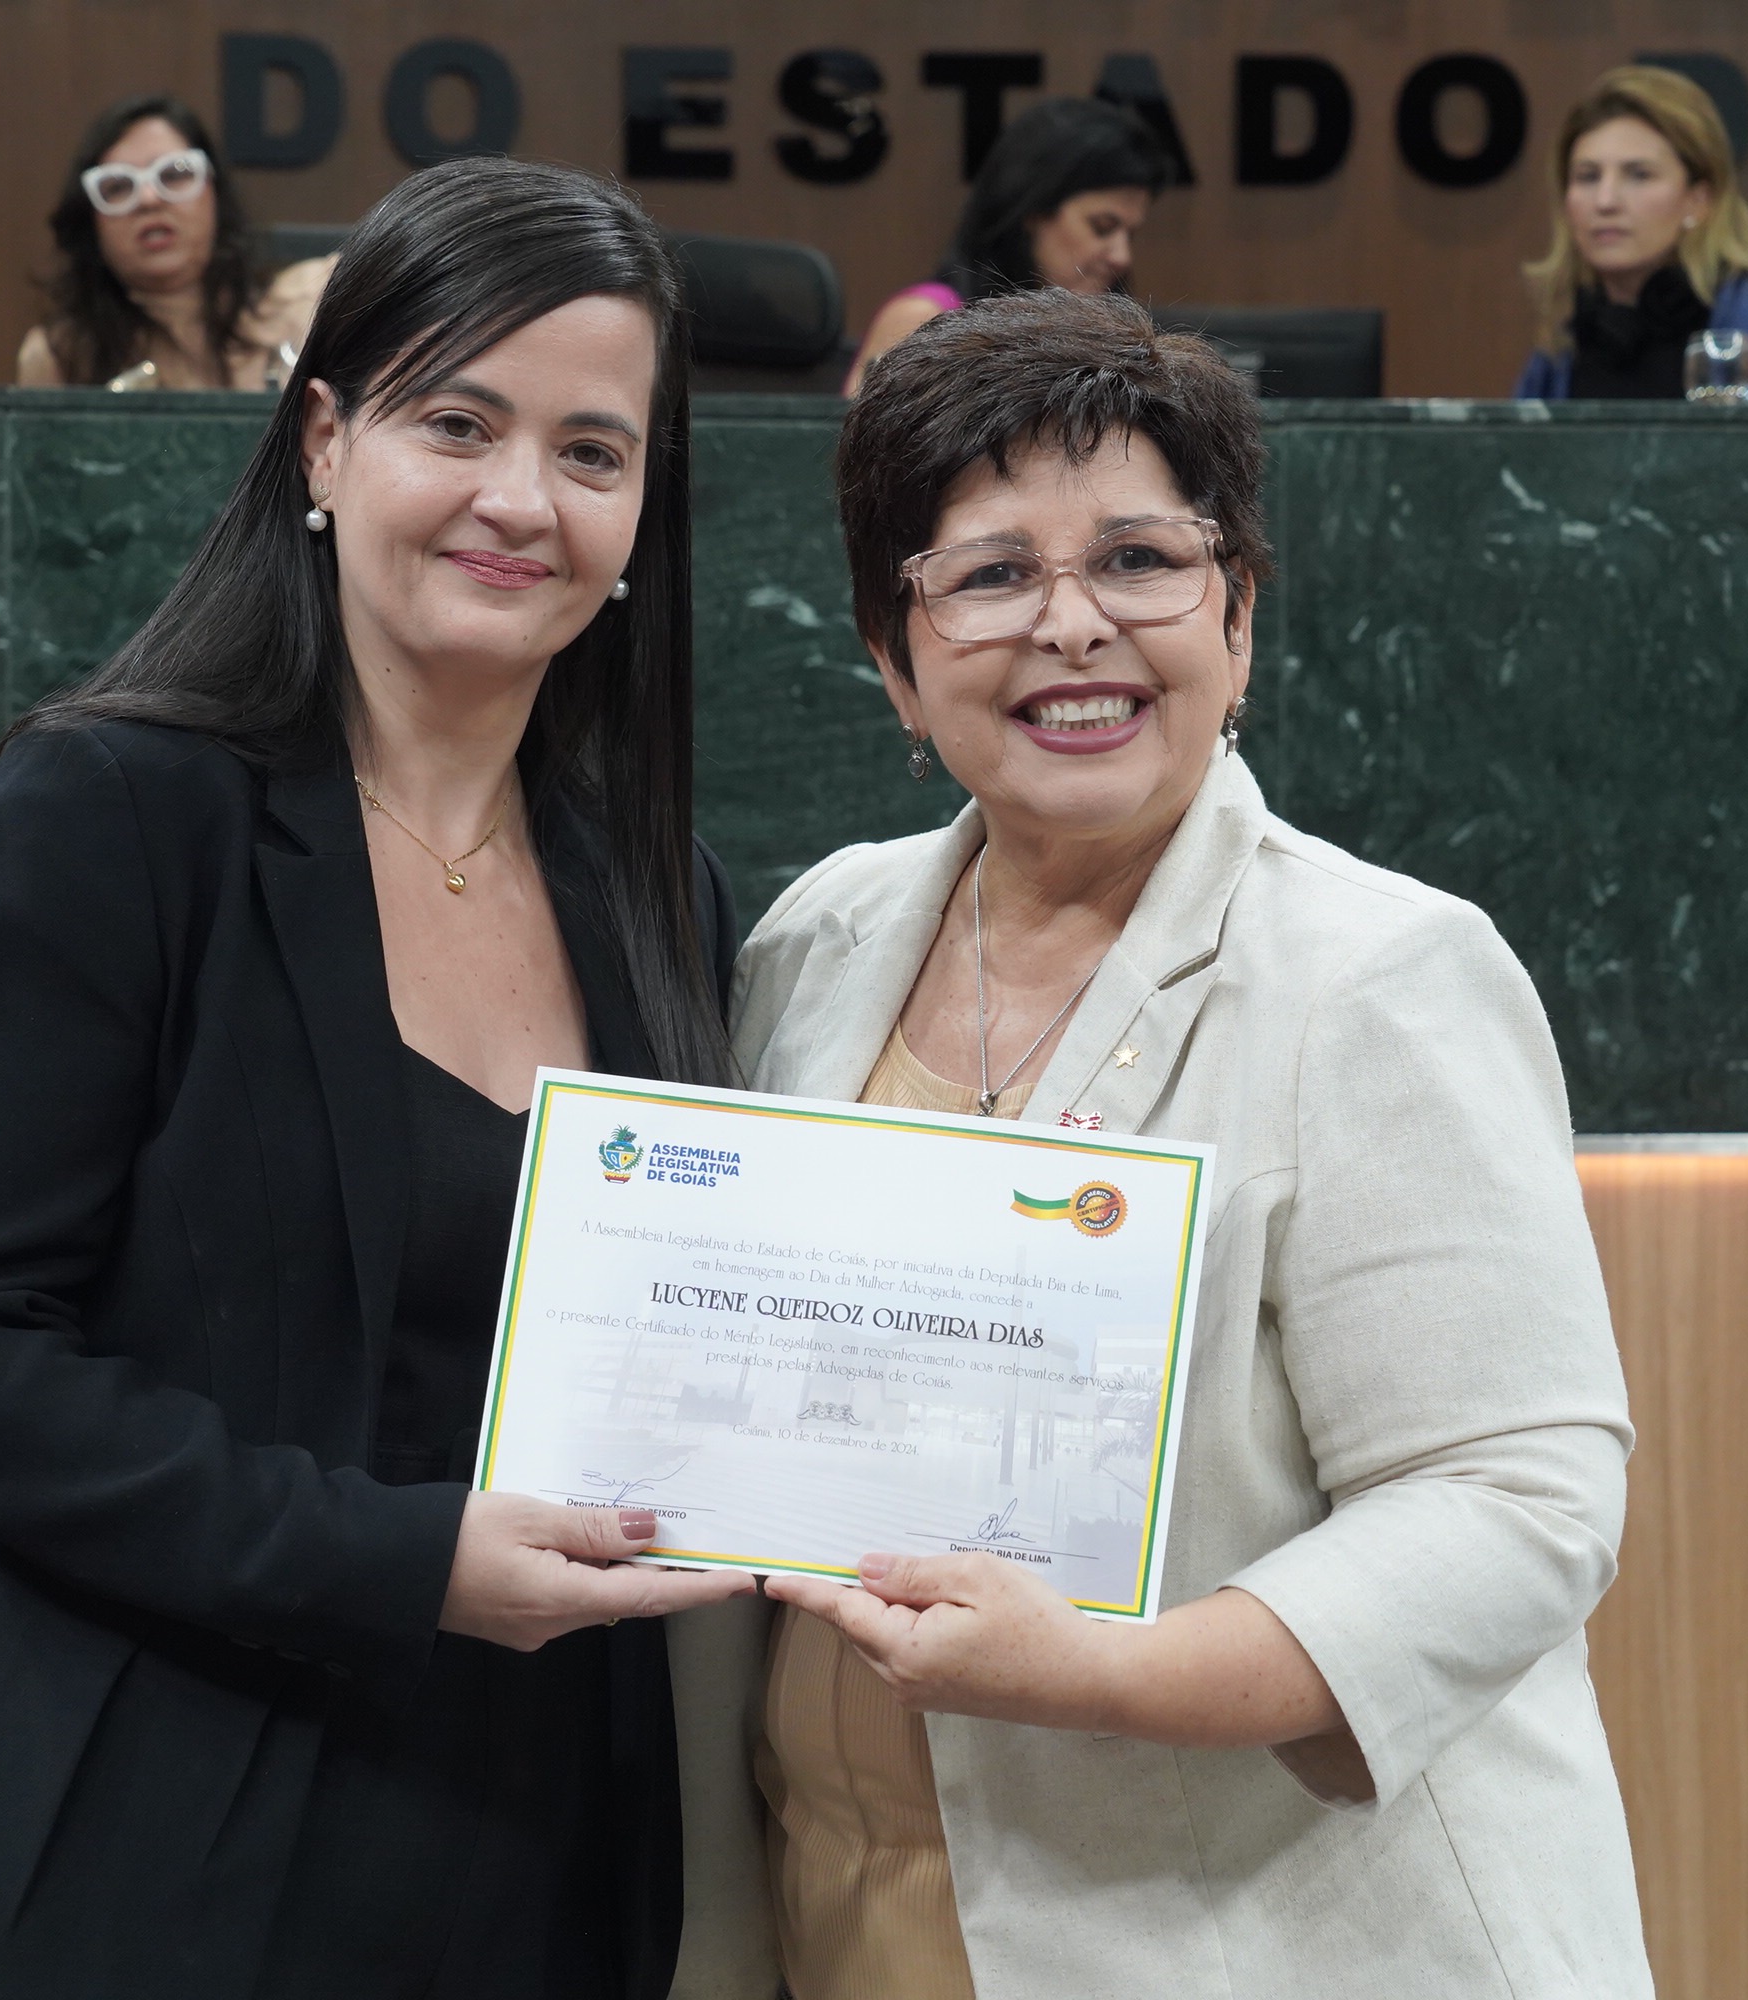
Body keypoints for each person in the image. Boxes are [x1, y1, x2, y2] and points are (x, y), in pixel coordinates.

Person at [0, 156, 755, 2000]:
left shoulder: (660, 896)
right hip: (140, 1861)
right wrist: (401, 1561)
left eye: (592, 450)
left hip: (537, 1858)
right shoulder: (114, 810)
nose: (520, 499)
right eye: (456, 422)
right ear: (322, 441)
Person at [672, 291, 1650, 1999]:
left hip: (1256, 1940)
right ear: (893, 660)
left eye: (1138, 559)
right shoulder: (817, 938)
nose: (1073, 627)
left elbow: (1516, 1503)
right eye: (990, 576)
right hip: (848, 1912)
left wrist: (1104, 1672)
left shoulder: (1378, 974)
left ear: (1238, 617)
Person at [1512, 65, 1748, 401]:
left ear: (1698, 201)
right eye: (1588, 177)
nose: (1605, 201)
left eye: (1639, 175)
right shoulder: (1562, 345)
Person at [841, 97, 1173, 396]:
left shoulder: (1117, 338)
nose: (1121, 257)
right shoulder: (922, 319)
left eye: (1130, 235)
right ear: (1032, 211)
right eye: (1102, 227)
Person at [16, 95, 337, 391]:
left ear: (214, 192)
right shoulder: (60, 355)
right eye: (117, 187)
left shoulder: (308, 303)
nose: (148, 199)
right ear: (89, 220)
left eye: (173, 175)